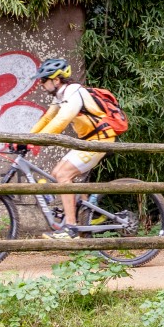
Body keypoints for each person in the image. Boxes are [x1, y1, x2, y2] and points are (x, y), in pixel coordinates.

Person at [27, 57, 117, 238]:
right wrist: (25, 138)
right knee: (56, 173)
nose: (41, 84)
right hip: (87, 141)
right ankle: (88, 213)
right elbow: (47, 118)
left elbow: (61, 121)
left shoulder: (73, 93)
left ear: (56, 80)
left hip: (100, 140)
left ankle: (70, 228)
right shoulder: (60, 96)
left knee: (63, 175)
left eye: (44, 80)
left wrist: (36, 141)